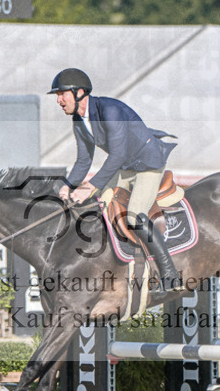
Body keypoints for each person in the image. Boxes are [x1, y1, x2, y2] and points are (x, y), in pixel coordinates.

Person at [50, 67, 182, 293]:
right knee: (96, 206)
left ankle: (170, 275)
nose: (59, 100)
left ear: (80, 92)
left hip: (147, 164)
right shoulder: (79, 120)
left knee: (136, 213)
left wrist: (90, 186)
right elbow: (83, 161)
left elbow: (117, 154)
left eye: (62, 94)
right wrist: (68, 186)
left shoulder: (110, 111)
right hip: (125, 166)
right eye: (57, 96)